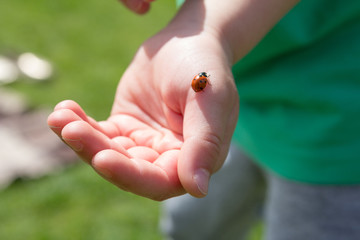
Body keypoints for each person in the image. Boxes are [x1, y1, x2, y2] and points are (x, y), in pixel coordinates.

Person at [47, 0, 360, 239]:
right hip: (227, 107)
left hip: (333, 130)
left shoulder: (203, 77)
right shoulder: (205, 82)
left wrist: (207, 29)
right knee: (192, 225)